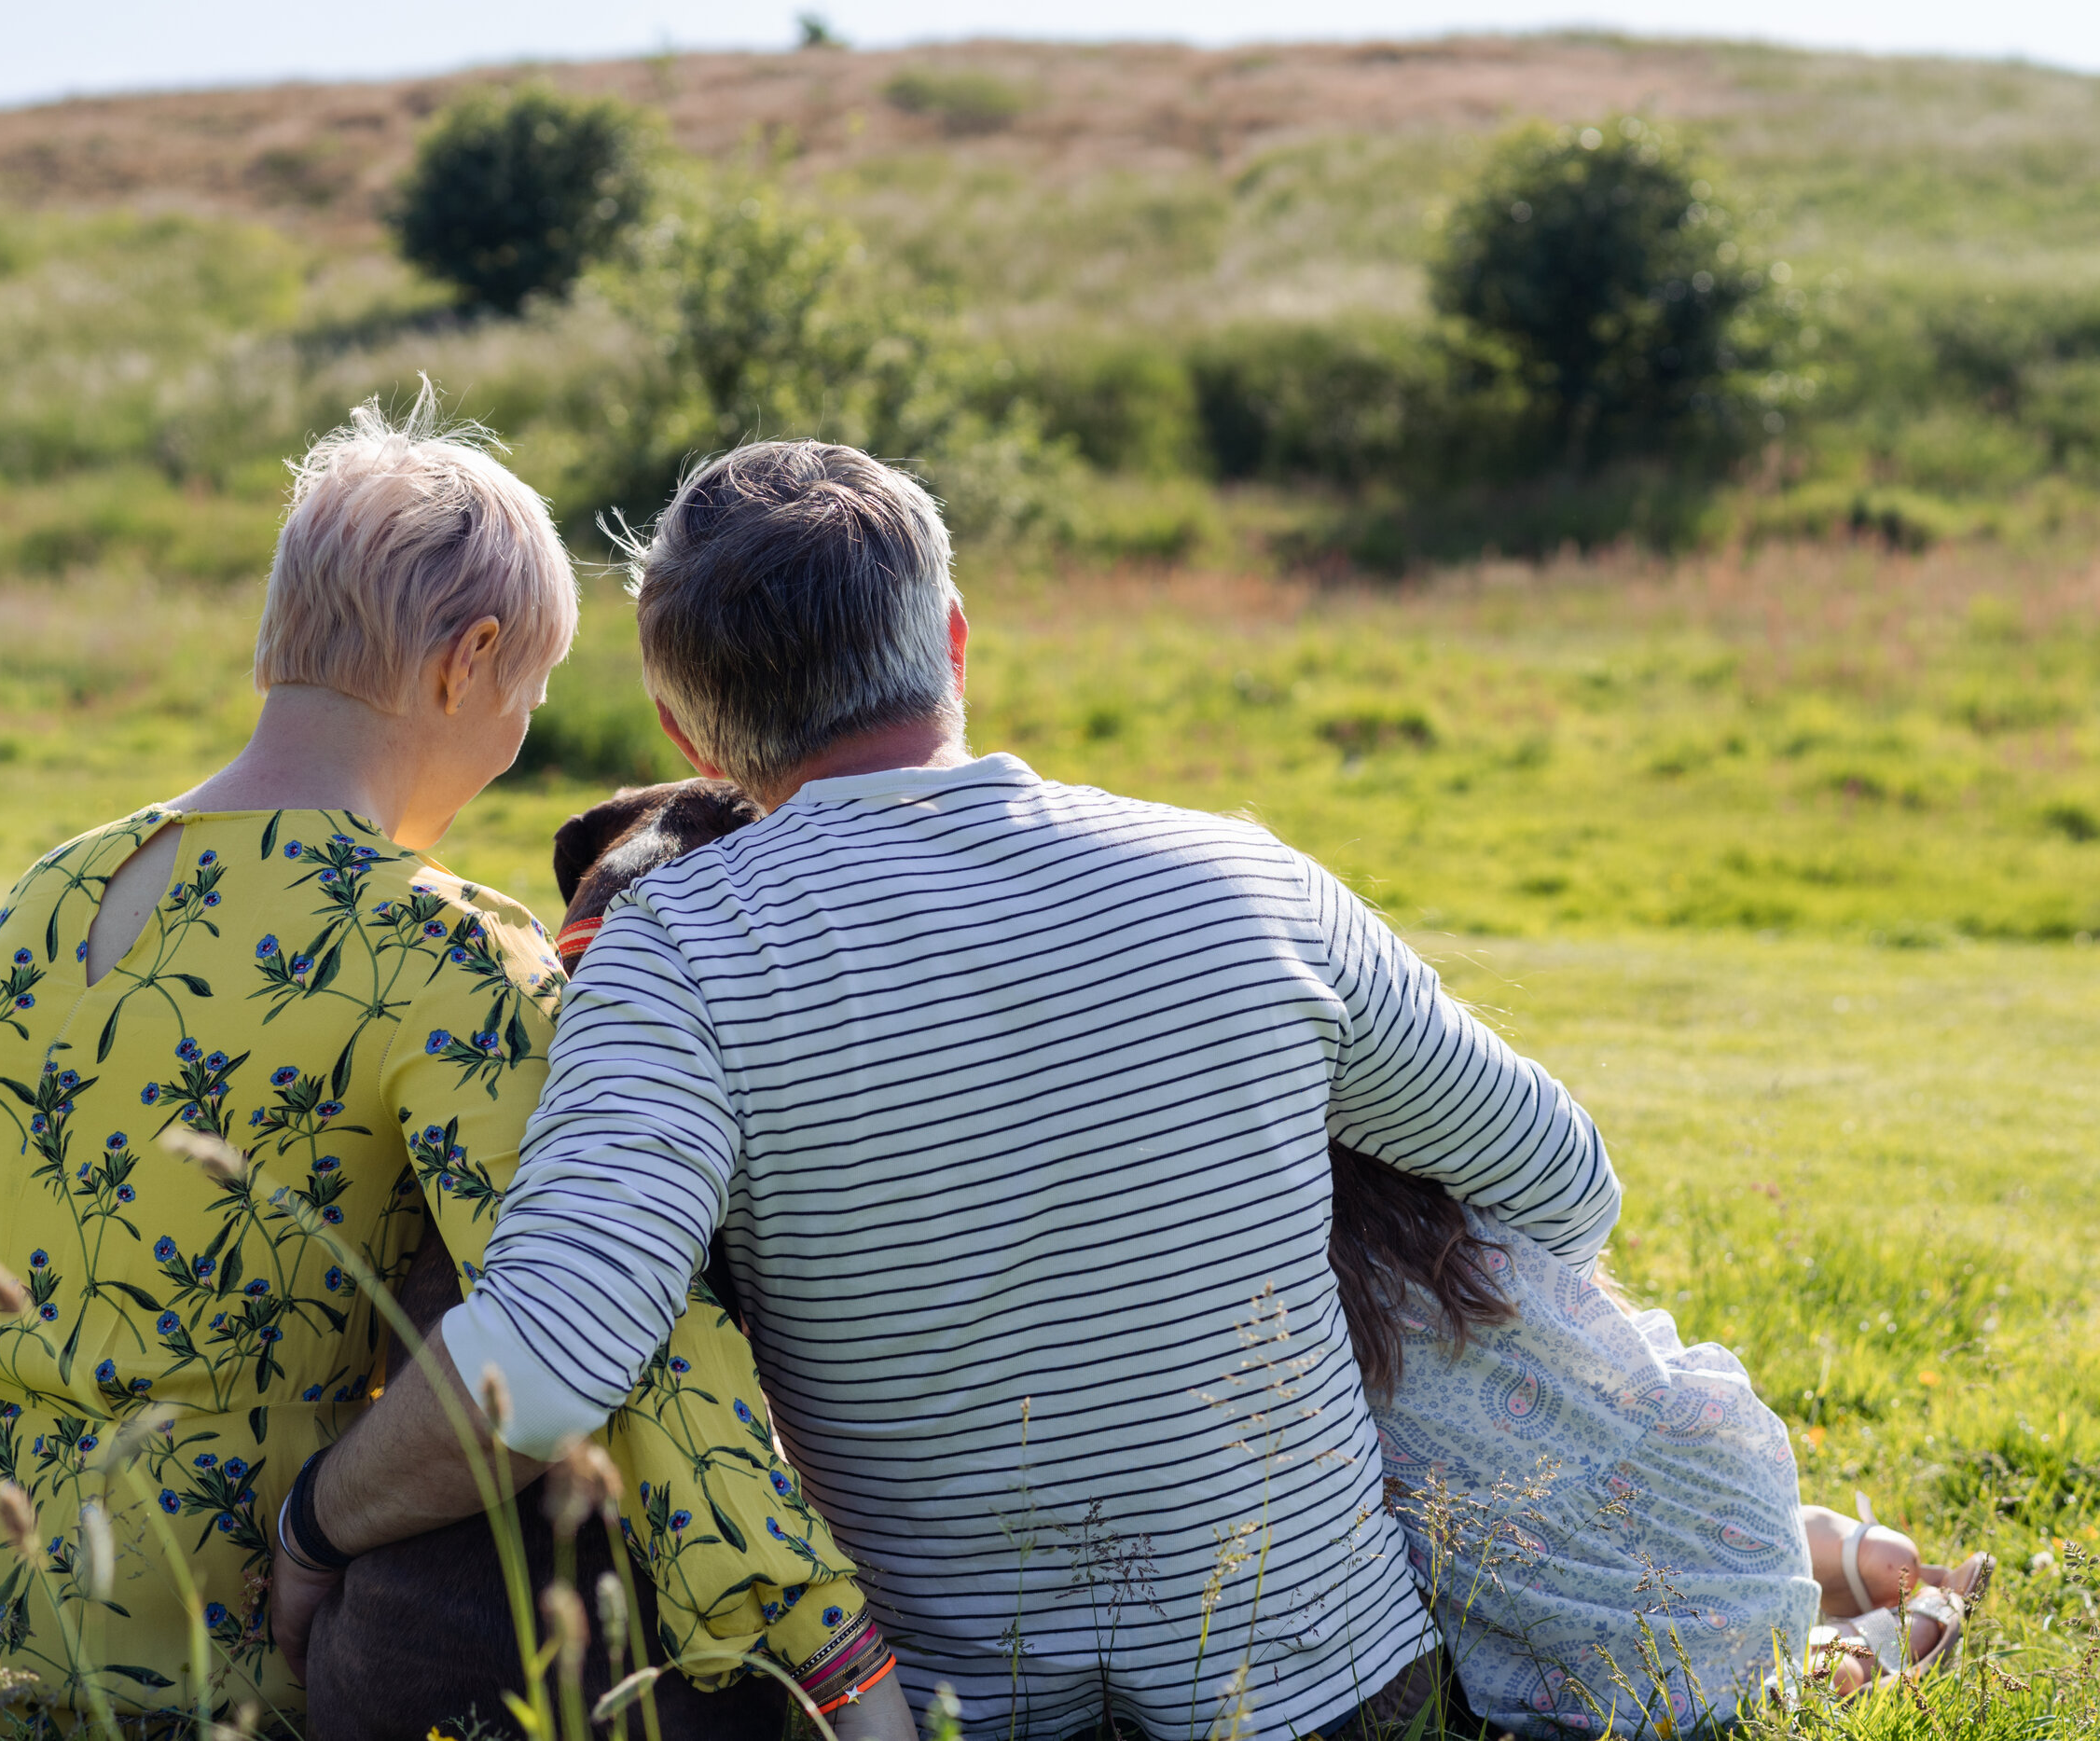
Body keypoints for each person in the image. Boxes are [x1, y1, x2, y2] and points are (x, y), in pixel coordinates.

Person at [270, 438, 1624, 1739]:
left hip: (954, 1710)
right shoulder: (1247, 878)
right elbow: (1564, 1178)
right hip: (1336, 1697)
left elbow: (551, 1367)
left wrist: (316, 1519)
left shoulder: (675, 955)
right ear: (954, 637)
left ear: (685, 726)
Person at [0, 395, 896, 1737]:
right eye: (529, 692)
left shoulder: (55, 881)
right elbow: (610, 1336)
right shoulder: (438, 950)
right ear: (469, 662)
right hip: (185, 1651)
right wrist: (830, 1651)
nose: (517, 734)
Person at [1323, 1143, 1990, 1736]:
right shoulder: (1430, 1176)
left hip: (1568, 1615)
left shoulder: (1295, 1274)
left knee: (1697, 1681)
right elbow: (1571, 1182)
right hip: (1708, 1467)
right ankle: (1826, 1558)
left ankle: (1848, 1646)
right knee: (1636, 1495)